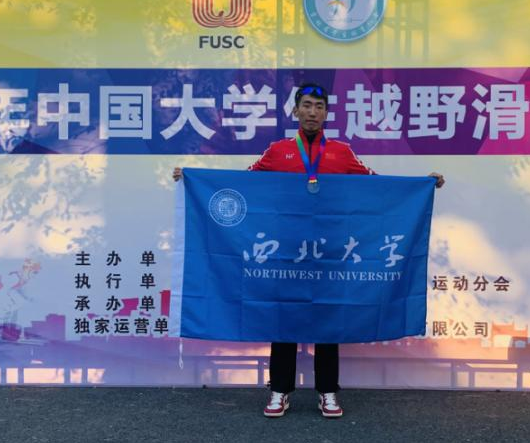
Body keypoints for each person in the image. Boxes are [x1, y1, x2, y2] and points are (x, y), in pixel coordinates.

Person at [173, 81, 444, 419]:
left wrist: (422, 185)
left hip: (330, 255)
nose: (312, 112)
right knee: (282, 318)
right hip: (286, 253)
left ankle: (328, 392)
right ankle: (279, 390)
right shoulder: (278, 151)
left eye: (319, 106)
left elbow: (377, 186)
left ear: (326, 113)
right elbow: (244, 184)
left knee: (329, 321)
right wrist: (193, 179)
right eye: (306, 105)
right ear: (296, 111)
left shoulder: (342, 152)